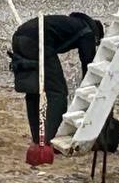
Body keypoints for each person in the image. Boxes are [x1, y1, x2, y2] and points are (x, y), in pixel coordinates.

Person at [9, 13, 104, 146]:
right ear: (97, 35)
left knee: (33, 90)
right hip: (37, 41)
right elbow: (88, 65)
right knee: (57, 93)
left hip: (19, 36)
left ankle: (38, 138)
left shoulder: (72, 23)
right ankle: (51, 139)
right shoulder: (87, 31)